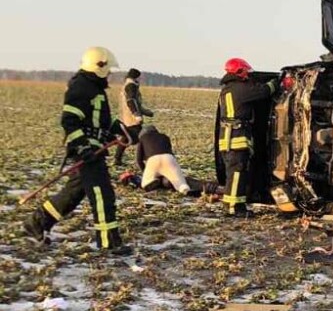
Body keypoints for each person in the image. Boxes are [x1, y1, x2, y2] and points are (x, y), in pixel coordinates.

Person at [23, 47, 132, 252]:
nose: (109, 73)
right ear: (98, 67)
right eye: (107, 69)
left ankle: (37, 222)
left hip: (94, 150)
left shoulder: (94, 88)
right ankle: (109, 244)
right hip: (88, 153)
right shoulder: (81, 87)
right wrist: (83, 147)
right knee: (102, 195)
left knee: (72, 194)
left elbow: (98, 122)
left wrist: (121, 130)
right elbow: (69, 121)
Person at [217, 58, 289, 217]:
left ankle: (234, 205)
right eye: (246, 73)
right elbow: (264, 91)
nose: (248, 76)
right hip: (236, 139)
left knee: (234, 173)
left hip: (228, 139)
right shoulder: (241, 89)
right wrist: (276, 83)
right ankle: (233, 208)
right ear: (239, 72)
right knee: (237, 173)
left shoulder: (227, 90)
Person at [117, 125, 218, 196]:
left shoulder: (143, 138)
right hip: (169, 158)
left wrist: (144, 172)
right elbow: (170, 152)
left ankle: (152, 181)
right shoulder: (164, 137)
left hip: (153, 161)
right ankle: (185, 190)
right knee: (181, 184)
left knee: (145, 183)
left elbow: (138, 160)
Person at [115, 68, 153, 167]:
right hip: (132, 118)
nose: (140, 79)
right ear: (136, 77)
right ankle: (146, 160)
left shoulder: (130, 85)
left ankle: (117, 159)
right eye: (140, 77)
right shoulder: (131, 86)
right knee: (141, 138)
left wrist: (146, 112)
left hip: (129, 116)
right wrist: (137, 115)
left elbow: (136, 103)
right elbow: (131, 101)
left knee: (126, 138)